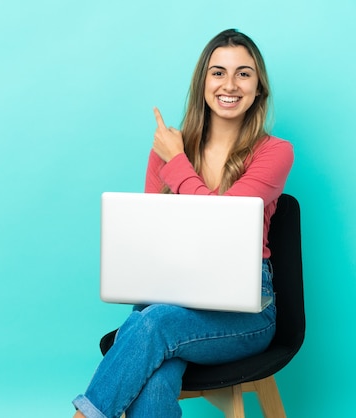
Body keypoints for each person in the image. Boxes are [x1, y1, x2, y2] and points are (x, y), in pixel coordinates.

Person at [72, 28, 294, 418]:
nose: (230, 84)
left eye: (244, 73)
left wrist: (176, 164)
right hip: (170, 297)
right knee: (155, 370)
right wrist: (172, 157)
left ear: (259, 88)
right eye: (218, 72)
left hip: (247, 311)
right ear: (202, 83)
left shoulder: (275, 152)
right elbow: (151, 240)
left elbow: (224, 228)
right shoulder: (167, 149)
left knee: (152, 325)